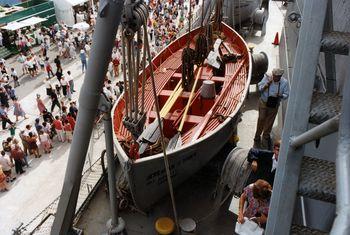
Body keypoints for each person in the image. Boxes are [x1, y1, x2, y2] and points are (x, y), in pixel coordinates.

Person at [254, 68, 289, 149]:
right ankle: (257, 135)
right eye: (274, 76)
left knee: (270, 122)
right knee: (261, 118)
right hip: (264, 102)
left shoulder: (284, 83)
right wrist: (267, 84)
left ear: (280, 76)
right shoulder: (267, 77)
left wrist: (280, 95)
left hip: (274, 105)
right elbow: (260, 88)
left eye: (278, 77)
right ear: (272, 75)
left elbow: (287, 94)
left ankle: (265, 137)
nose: (276, 78)